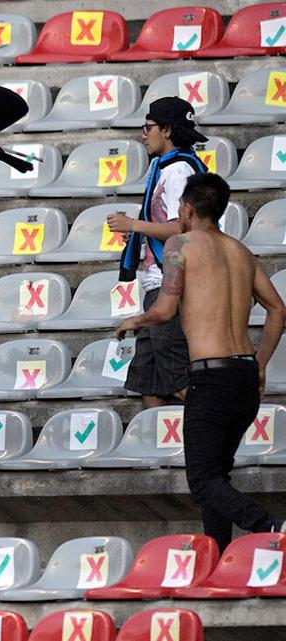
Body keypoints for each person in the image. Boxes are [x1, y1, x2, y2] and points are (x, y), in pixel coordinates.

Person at [116, 174, 286, 549]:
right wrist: (259, 363)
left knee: (203, 479)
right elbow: (278, 310)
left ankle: (272, 526)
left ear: (187, 209)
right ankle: (218, 556)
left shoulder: (181, 244)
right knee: (216, 478)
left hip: (210, 378)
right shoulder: (240, 251)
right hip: (243, 377)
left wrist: (134, 320)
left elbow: (163, 310)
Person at [107, 97, 209, 410]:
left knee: (176, 379)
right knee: (148, 379)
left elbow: (184, 228)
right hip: (157, 282)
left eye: (148, 127)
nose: (143, 134)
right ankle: (159, 450)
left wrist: (135, 224)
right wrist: (139, 230)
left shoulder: (179, 170)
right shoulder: (163, 166)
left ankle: (216, 423)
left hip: (173, 283)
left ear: (166, 131)